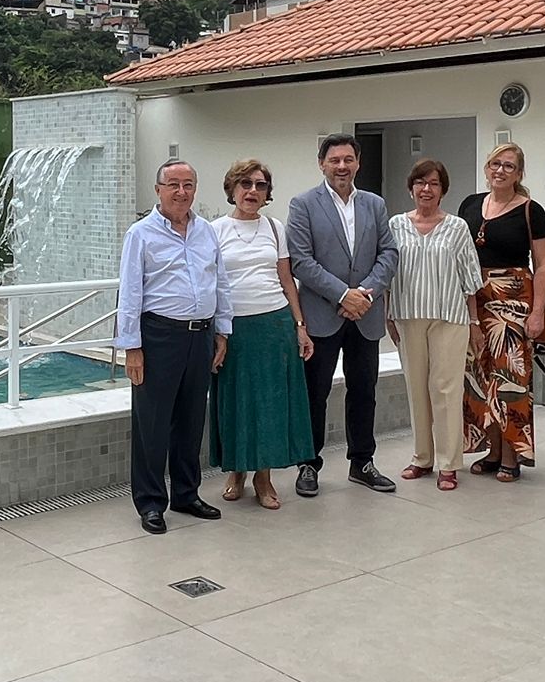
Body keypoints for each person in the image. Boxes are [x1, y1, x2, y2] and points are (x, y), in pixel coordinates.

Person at [115, 159, 232, 535]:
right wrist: (132, 347)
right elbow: (130, 292)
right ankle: (151, 502)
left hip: (201, 336)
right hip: (159, 337)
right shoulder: (141, 234)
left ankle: (186, 493)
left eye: (188, 185)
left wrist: (223, 331)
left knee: (191, 419)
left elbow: (220, 282)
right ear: (158, 190)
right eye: (173, 185)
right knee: (152, 423)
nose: (181, 192)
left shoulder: (206, 231)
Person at [288, 134, 400, 495]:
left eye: (348, 159)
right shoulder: (303, 204)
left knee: (364, 391)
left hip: (365, 313)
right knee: (315, 392)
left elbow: (389, 253)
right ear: (321, 164)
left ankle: (362, 463)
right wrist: (342, 294)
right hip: (323, 314)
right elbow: (301, 260)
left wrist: (364, 293)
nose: (341, 166)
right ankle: (308, 464)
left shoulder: (374, 204)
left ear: (358, 163)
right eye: (334, 160)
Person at [208, 158, 316, 509]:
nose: (252, 191)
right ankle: (236, 471)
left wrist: (300, 327)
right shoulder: (215, 230)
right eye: (246, 184)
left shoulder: (274, 228)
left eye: (260, 185)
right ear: (232, 189)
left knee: (270, 404)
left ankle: (263, 477)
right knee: (236, 402)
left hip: (274, 326)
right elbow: (210, 283)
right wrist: (218, 333)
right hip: (234, 329)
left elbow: (287, 280)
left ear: (267, 193)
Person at [386, 160, 483, 491]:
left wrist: (473, 321)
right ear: (411, 187)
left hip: (449, 318)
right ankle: (422, 458)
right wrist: (388, 316)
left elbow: (470, 279)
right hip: (407, 315)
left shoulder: (456, 227)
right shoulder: (396, 225)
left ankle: (449, 463)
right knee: (416, 389)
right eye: (420, 183)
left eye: (434, 183)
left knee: (445, 390)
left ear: (443, 190)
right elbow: (388, 274)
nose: (426, 189)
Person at [458, 142, 545, 482]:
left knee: (510, 378)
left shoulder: (531, 210)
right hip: (473, 299)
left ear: (519, 173)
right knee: (479, 377)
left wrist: (537, 312)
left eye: (509, 166)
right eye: (496, 164)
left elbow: (543, 265)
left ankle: (512, 455)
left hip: (513, 300)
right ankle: (493, 451)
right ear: (487, 167)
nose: (500, 170)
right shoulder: (470, 204)